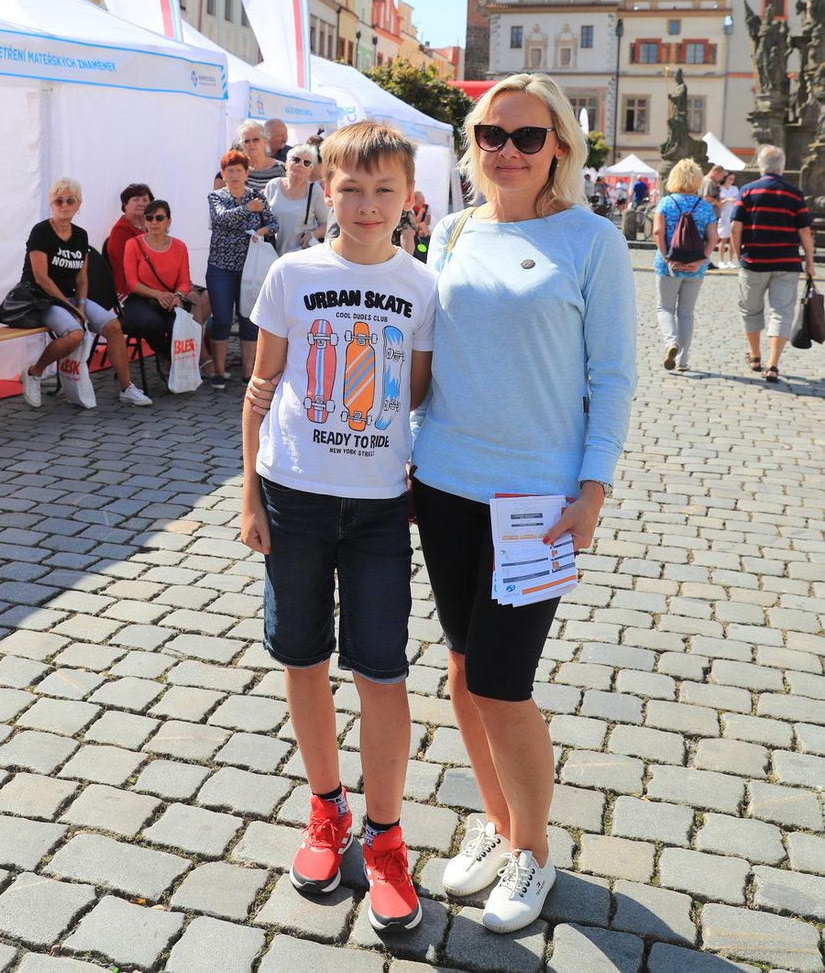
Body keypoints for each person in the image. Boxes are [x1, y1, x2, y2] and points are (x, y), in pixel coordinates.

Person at [410, 73, 635, 934]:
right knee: (465, 671)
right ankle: (500, 825)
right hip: (444, 481)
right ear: (473, 144)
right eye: (491, 134)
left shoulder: (592, 241)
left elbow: (612, 376)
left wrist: (593, 487)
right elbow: (429, 361)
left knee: (505, 683)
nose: (507, 150)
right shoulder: (454, 230)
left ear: (560, 150)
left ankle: (533, 851)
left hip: (534, 500)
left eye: (527, 137)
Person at [241, 122, 437, 933]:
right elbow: (258, 389)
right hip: (295, 494)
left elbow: (418, 397)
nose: (364, 204)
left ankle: (386, 836)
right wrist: (250, 496)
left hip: (381, 509)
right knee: (302, 654)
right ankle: (327, 808)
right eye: (349, 188)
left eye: (382, 190)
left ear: (407, 199)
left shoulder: (423, 285)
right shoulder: (292, 272)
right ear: (325, 188)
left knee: (382, 667)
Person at [19, 178, 152, 409]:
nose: (64, 205)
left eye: (70, 200)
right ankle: (34, 372)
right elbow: (41, 278)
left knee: (113, 326)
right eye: (59, 200)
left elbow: (82, 277)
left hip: (71, 299)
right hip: (42, 299)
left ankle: (126, 387)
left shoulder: (80, 235)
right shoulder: (41, 231)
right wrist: (72, 309)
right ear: (51, 203)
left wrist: (80, 305)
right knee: (74, 334)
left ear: (78, 204)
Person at [731, 145, 815, 383]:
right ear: (782, 166)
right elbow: (805, 231)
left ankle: (755, 356)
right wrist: (810, 263)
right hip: (787, 262)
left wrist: (739, 256)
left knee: (750, 309)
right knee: (782, 312)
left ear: (760, 165)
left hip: (753, 260)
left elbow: (736, 228)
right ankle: (772, 364)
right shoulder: (794, 194)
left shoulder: (747, 192)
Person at [206, 149, 278, 389]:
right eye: (230, 171)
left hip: (251, 270)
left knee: (249, 320)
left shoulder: (257, 197)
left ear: (246, 173)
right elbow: (220, 219)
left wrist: (261, 231)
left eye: (238, 170)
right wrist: (248, 210)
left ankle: (249, 374)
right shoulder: (215, 197)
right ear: (223, 174)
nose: (234, 175)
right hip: (221, 267)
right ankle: (219, 372)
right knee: (222, 319)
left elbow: (274, 223)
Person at [122, 199, 210, 371]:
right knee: (153, 324)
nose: (154, 222)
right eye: (149, 218)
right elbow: (132, 283)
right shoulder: (133, 244)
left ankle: (178, 364)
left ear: (168, 221)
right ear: (144, 221)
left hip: (170, 298)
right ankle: (164, 355)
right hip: (140, 299)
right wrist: (158, 294)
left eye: (159, 218)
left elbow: (184, 280)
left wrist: (178, 296)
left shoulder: (179, 246)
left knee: (177, 325)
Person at [651, 159, 718, 373]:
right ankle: (683, 361)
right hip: (695, 268)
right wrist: (701, 260)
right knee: (686, 313)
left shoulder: (666, 203)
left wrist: (667, 258)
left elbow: (657, 233)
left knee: (665, 308)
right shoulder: (705, 206)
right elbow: (713, 237)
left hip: (668, 267)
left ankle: (671, 342)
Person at [264, 145, 329, 255]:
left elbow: (326, 223)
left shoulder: (314, 191)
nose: (300, 165)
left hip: (300, 254)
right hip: (272, 253)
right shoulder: (273, 185)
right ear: (286, 164)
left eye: (306, 163)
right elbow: (263, 218)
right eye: (296, 160)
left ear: (310, 170)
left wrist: (313, 235)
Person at [106, 182, 154, 294]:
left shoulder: (153, 226)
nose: (141, 203)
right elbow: (128, 268)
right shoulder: (120, 231)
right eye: (136, 199)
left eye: (145, 200)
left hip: (154, 283)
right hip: (131, 290)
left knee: (201, 295)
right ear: (125, 204)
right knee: (191, 299)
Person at [236, 121, 285, 194]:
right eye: (246, 141)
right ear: (242, 145)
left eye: (256, 140)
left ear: (265, 141)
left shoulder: (281, 169)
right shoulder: (237, 169)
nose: (251, 144)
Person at [715, 173, 740, 268]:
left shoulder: (734, 188)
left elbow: (737, 200)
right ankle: (721, 260)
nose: (731, 181)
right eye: (730, 178)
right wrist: (726, 200)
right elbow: (718, 202)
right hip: (723, 216)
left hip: (732, 215)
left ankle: (730, 260)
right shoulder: (720, 188)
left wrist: (729, 199)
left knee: (732, 239)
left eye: (733, 179)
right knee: (723, 238)